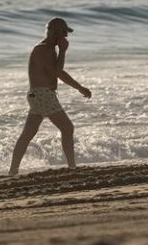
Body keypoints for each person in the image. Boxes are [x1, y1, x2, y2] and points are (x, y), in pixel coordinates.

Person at [8, 17, 92, 176]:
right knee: (67, 128)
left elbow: (58, 72)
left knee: (27, 135)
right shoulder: (44, 49)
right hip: (43, 95)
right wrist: (63, 51)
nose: (66, 36)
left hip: (37, 95)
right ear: (56, 32)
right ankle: (72, 167)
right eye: (64, 32)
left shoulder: (46, 48)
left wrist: (79, 87)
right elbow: (57, 72)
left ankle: (13, 171)